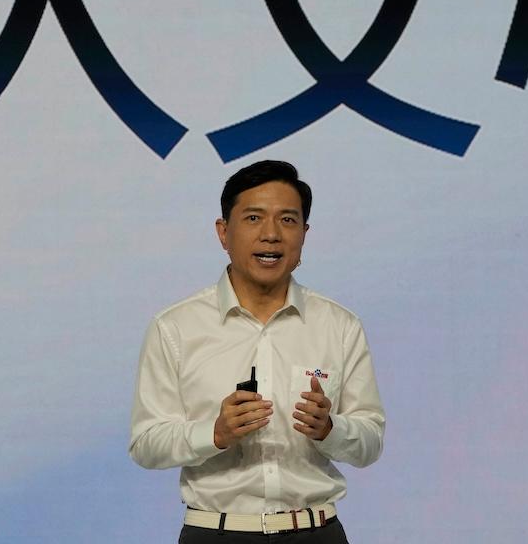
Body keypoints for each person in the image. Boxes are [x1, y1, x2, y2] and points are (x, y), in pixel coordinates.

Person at [129, 160, 385, 543]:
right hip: (215, 533)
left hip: (316, 533)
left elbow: (370, 442)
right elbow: (146, 444)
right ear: (223, 232)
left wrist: (331, 429)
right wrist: (214, 433)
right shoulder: (175, 327)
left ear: (304, 234)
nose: (271, 235)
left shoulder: (339, 326)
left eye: (287, 220)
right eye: (253, 218)